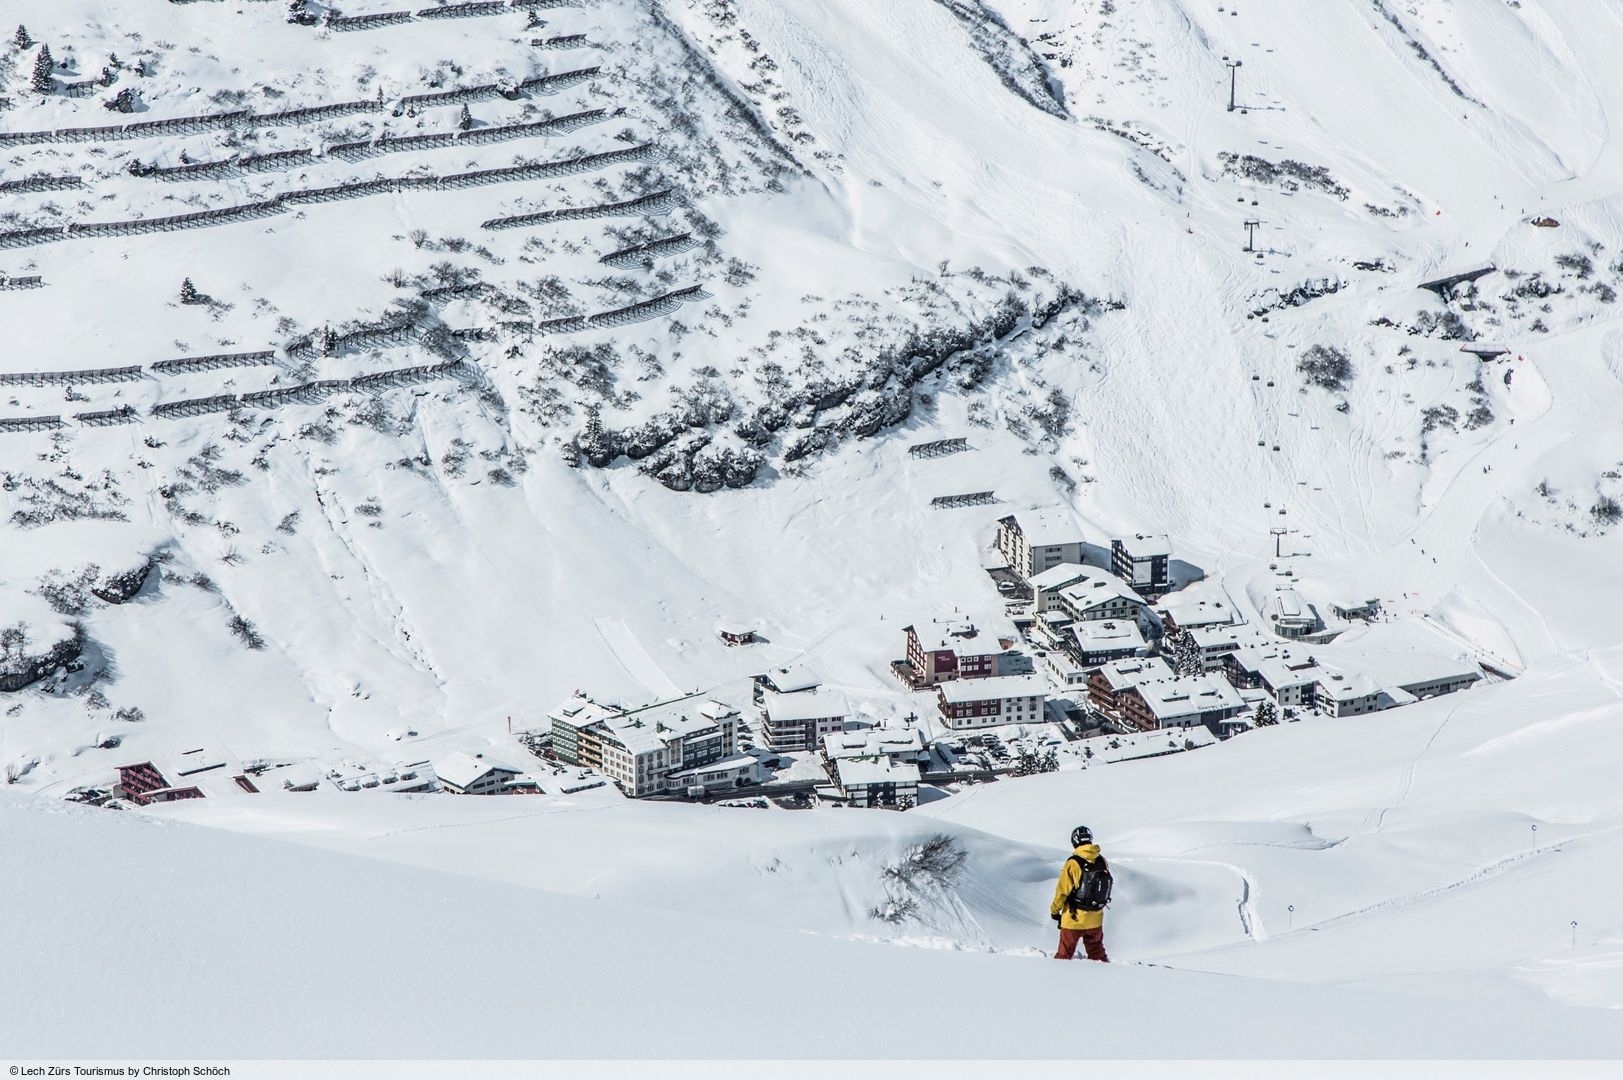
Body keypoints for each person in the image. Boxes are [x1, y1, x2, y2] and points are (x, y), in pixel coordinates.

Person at [1050, 825, 1110, 962]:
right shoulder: (1102, 860)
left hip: (1073, 918)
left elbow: (1062, 891)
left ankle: (1056, 975)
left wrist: (1055, 911)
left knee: (1064, 955)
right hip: (1095, 917)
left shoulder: (1073, 862)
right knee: (1097, 954)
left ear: (1074, 841)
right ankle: (1105, 974)